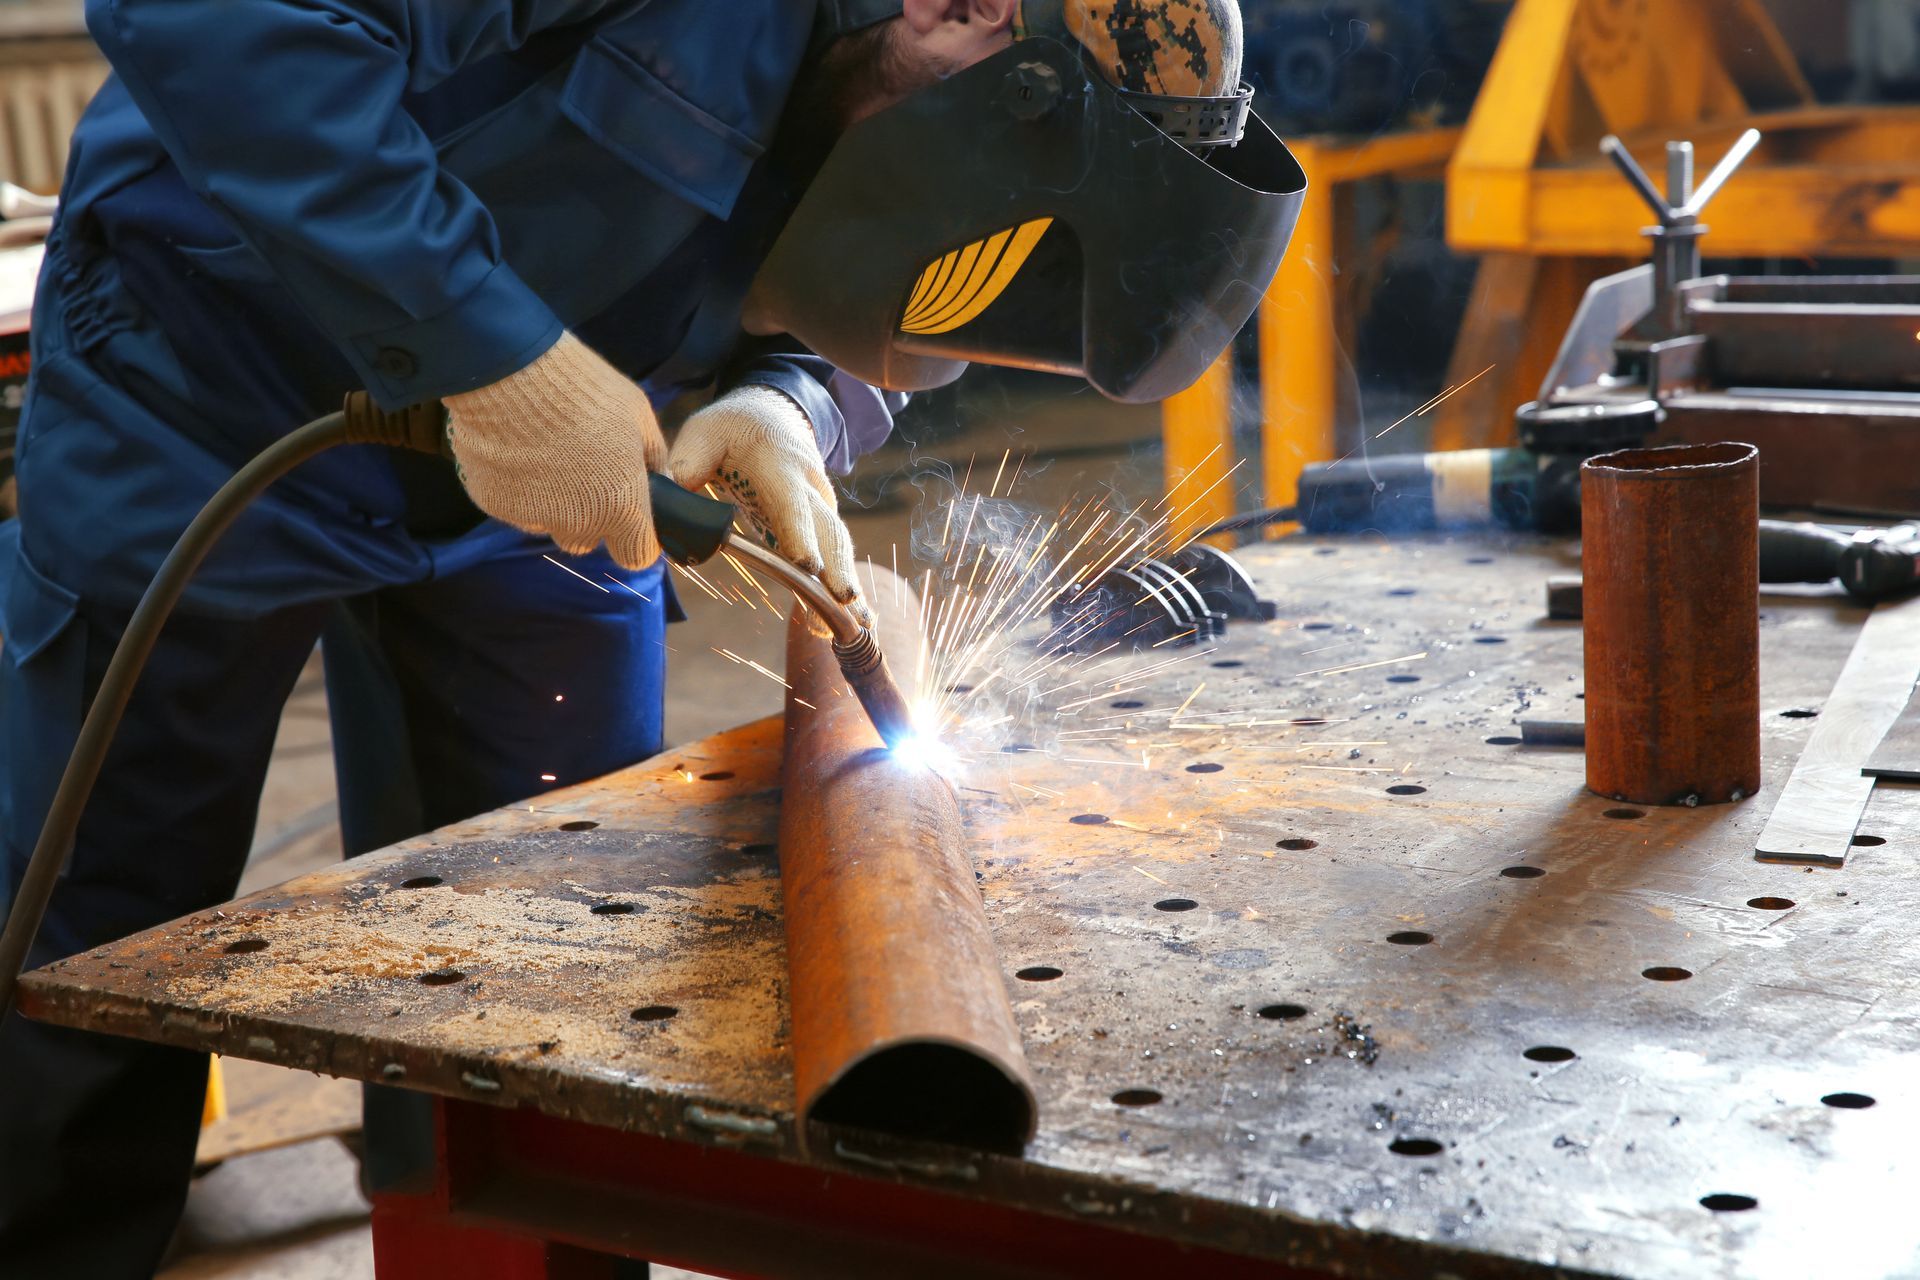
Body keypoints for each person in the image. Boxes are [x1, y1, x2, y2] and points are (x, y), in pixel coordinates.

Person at [0, 0, 1283, 1271]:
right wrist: (487, 353)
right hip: (199, 382)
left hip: (586, 462)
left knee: (559, 978)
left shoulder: (908, 72)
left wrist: (787, 394)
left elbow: (853, 243)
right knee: (92, 946)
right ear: (965, 11)